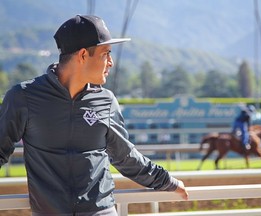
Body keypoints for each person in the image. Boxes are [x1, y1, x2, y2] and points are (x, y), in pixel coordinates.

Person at [0, 15, 188, 216]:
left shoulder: (106, 101)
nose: (111, 62)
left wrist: (167, 181)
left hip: (102, 212)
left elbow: (125, 156)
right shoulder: (23, 97)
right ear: (82, 55)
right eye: (106, 53)